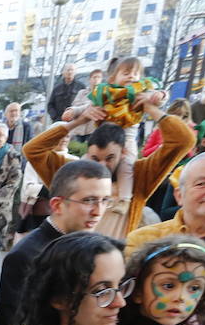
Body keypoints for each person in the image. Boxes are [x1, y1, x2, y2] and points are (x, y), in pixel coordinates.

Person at [0, 159, 113, 325]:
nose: (98, 211)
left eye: (105, 200)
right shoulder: (26, 255)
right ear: (57, 204)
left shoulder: (96, 249)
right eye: (89, 200)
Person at [34, 101, 192, 240]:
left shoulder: (141, 176)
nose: (102, 166)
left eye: (110, 158)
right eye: (95, 158)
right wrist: (79, 121)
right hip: (72, 261)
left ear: (123, 153)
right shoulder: (69, 172)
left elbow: (184, 140)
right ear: (88, 152)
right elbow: (33, 151)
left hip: (115, 266)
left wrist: (150, 109)